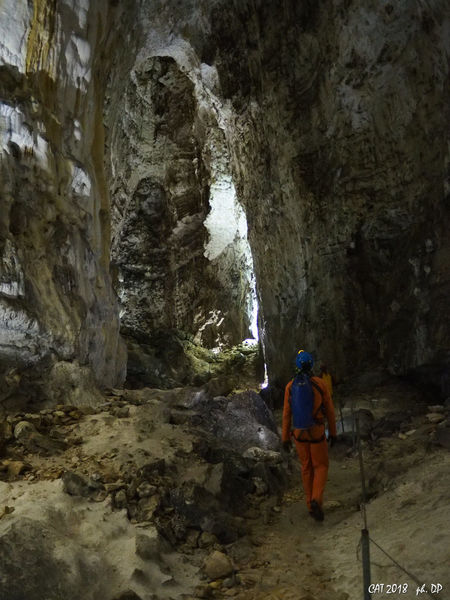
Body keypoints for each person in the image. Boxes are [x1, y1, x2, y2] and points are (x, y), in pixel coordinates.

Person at [282, 350, 337, 521]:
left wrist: (285, 438)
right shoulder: (320, 384)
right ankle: (316, 500)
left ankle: (309, 504)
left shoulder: (290, 387)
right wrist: (333, 433)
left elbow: (286, 414)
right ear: (312, 365)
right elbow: (329, 411)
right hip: (316, 431)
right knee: (320, 466)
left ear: (297, 366)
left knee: (306, 468)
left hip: (299, 433)